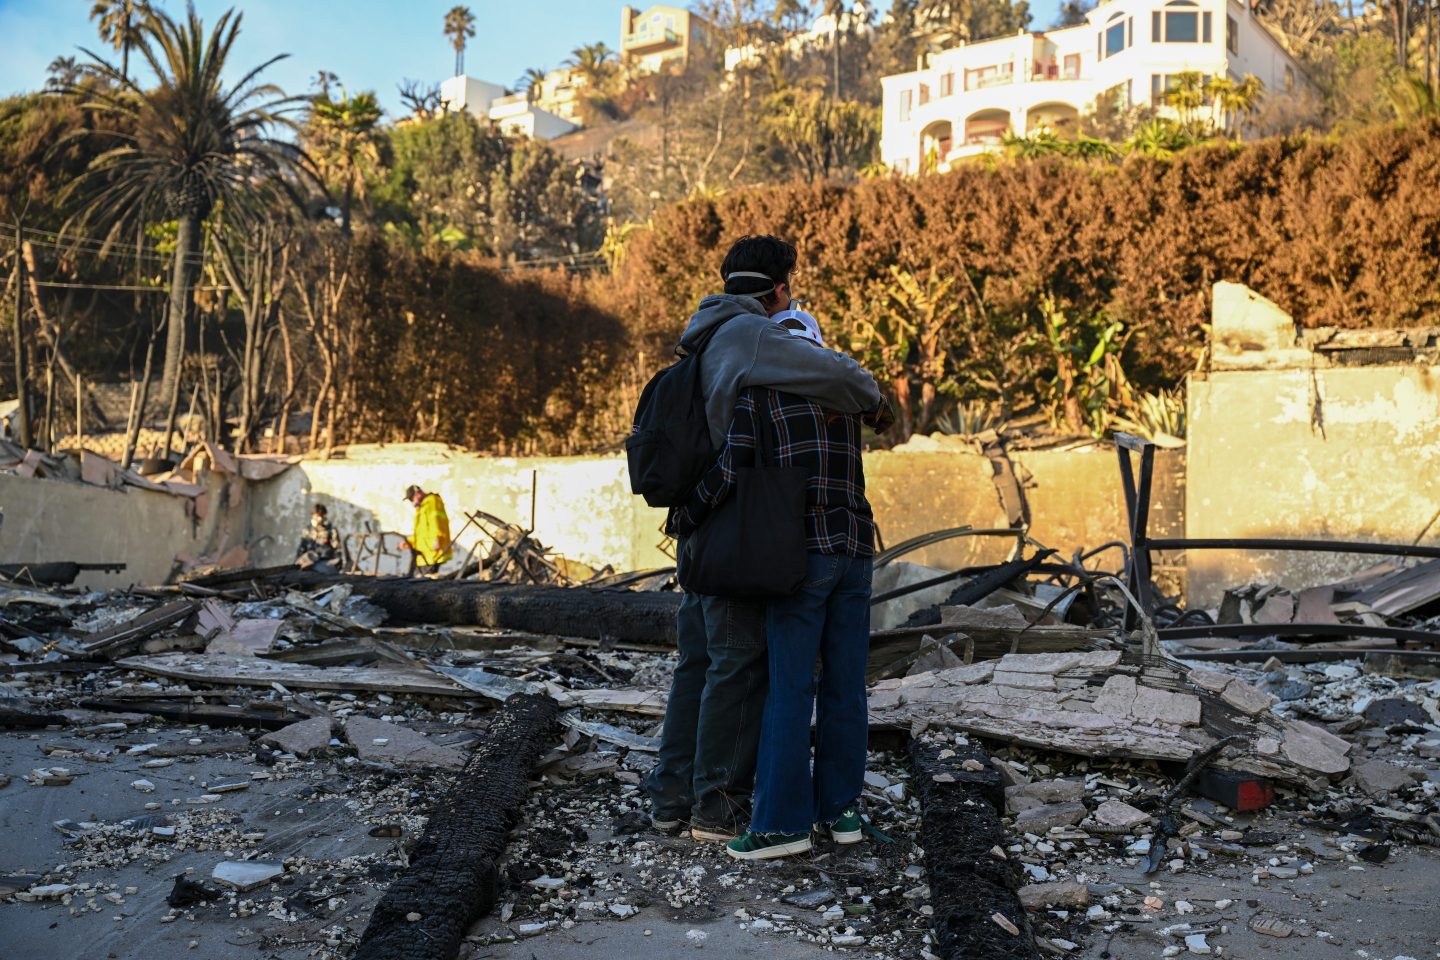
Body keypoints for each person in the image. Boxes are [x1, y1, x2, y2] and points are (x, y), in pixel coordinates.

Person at [644, 234, 888, 843]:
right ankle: (717, 809)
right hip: (736, 531)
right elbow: (847, 380)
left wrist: (682, 518)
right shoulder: (757, 338)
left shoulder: (702, 335)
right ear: (780, 290)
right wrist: (870, 398)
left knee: (697, 665)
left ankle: (670, 801)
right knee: (739, 668)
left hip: (700, 529)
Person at [673, 363, 887, 860]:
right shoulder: (848, 393)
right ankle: (841, 813)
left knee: (788, 689)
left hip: (803, 557)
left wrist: (685, 515)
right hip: (855, 553)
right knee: (846, 687)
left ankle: (782, 825)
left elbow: (730, 467)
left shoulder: (764, 393)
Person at [402, 484, 453, 575]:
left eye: (411, 498)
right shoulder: (422, 506)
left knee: (426, 581)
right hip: (424, 553)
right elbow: (421, 532)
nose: (412, 502)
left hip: (431, 553)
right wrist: (410, 542)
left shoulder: (432, 502)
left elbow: (437, 522)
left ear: (417, 494)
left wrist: (438, 539)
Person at [296, 504, 341, 573]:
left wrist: (337, 564)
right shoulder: (307, 530)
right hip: (309, 562)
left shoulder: (331, 530)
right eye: (317, 516)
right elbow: (301, 548)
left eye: (321, 516)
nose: (319, 518)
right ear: (313, 515)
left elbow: (337, 549)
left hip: (325, 562)